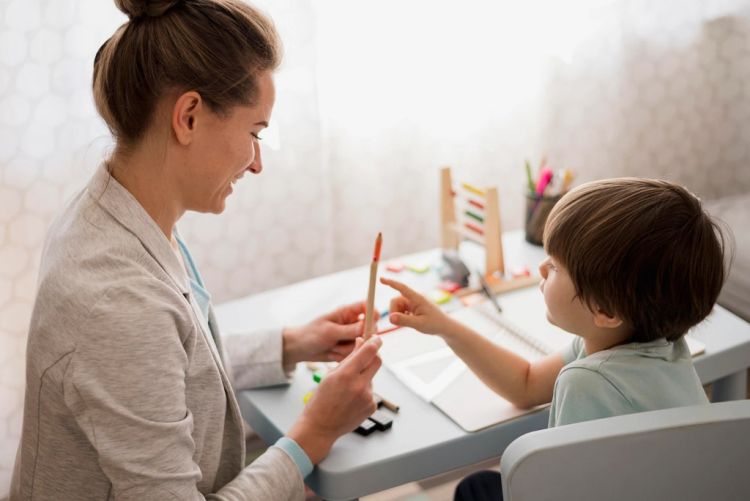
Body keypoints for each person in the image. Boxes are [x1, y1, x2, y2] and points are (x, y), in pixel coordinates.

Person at [10, 1, 382, 499]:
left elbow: (169, 368)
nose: (256, 164)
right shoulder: (114, 298)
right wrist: (313, 435)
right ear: (188, 116)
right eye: (255, 133)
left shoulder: (121, 214)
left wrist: (290, 345)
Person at [381, 178, 729, 501]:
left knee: (474, 490)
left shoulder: (587, 382)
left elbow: (560, 490)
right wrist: (446, 326)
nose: (541, 270)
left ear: (606, 311)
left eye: (555, 266)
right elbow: (526, 385)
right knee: (481, 486)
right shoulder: (661, 343)